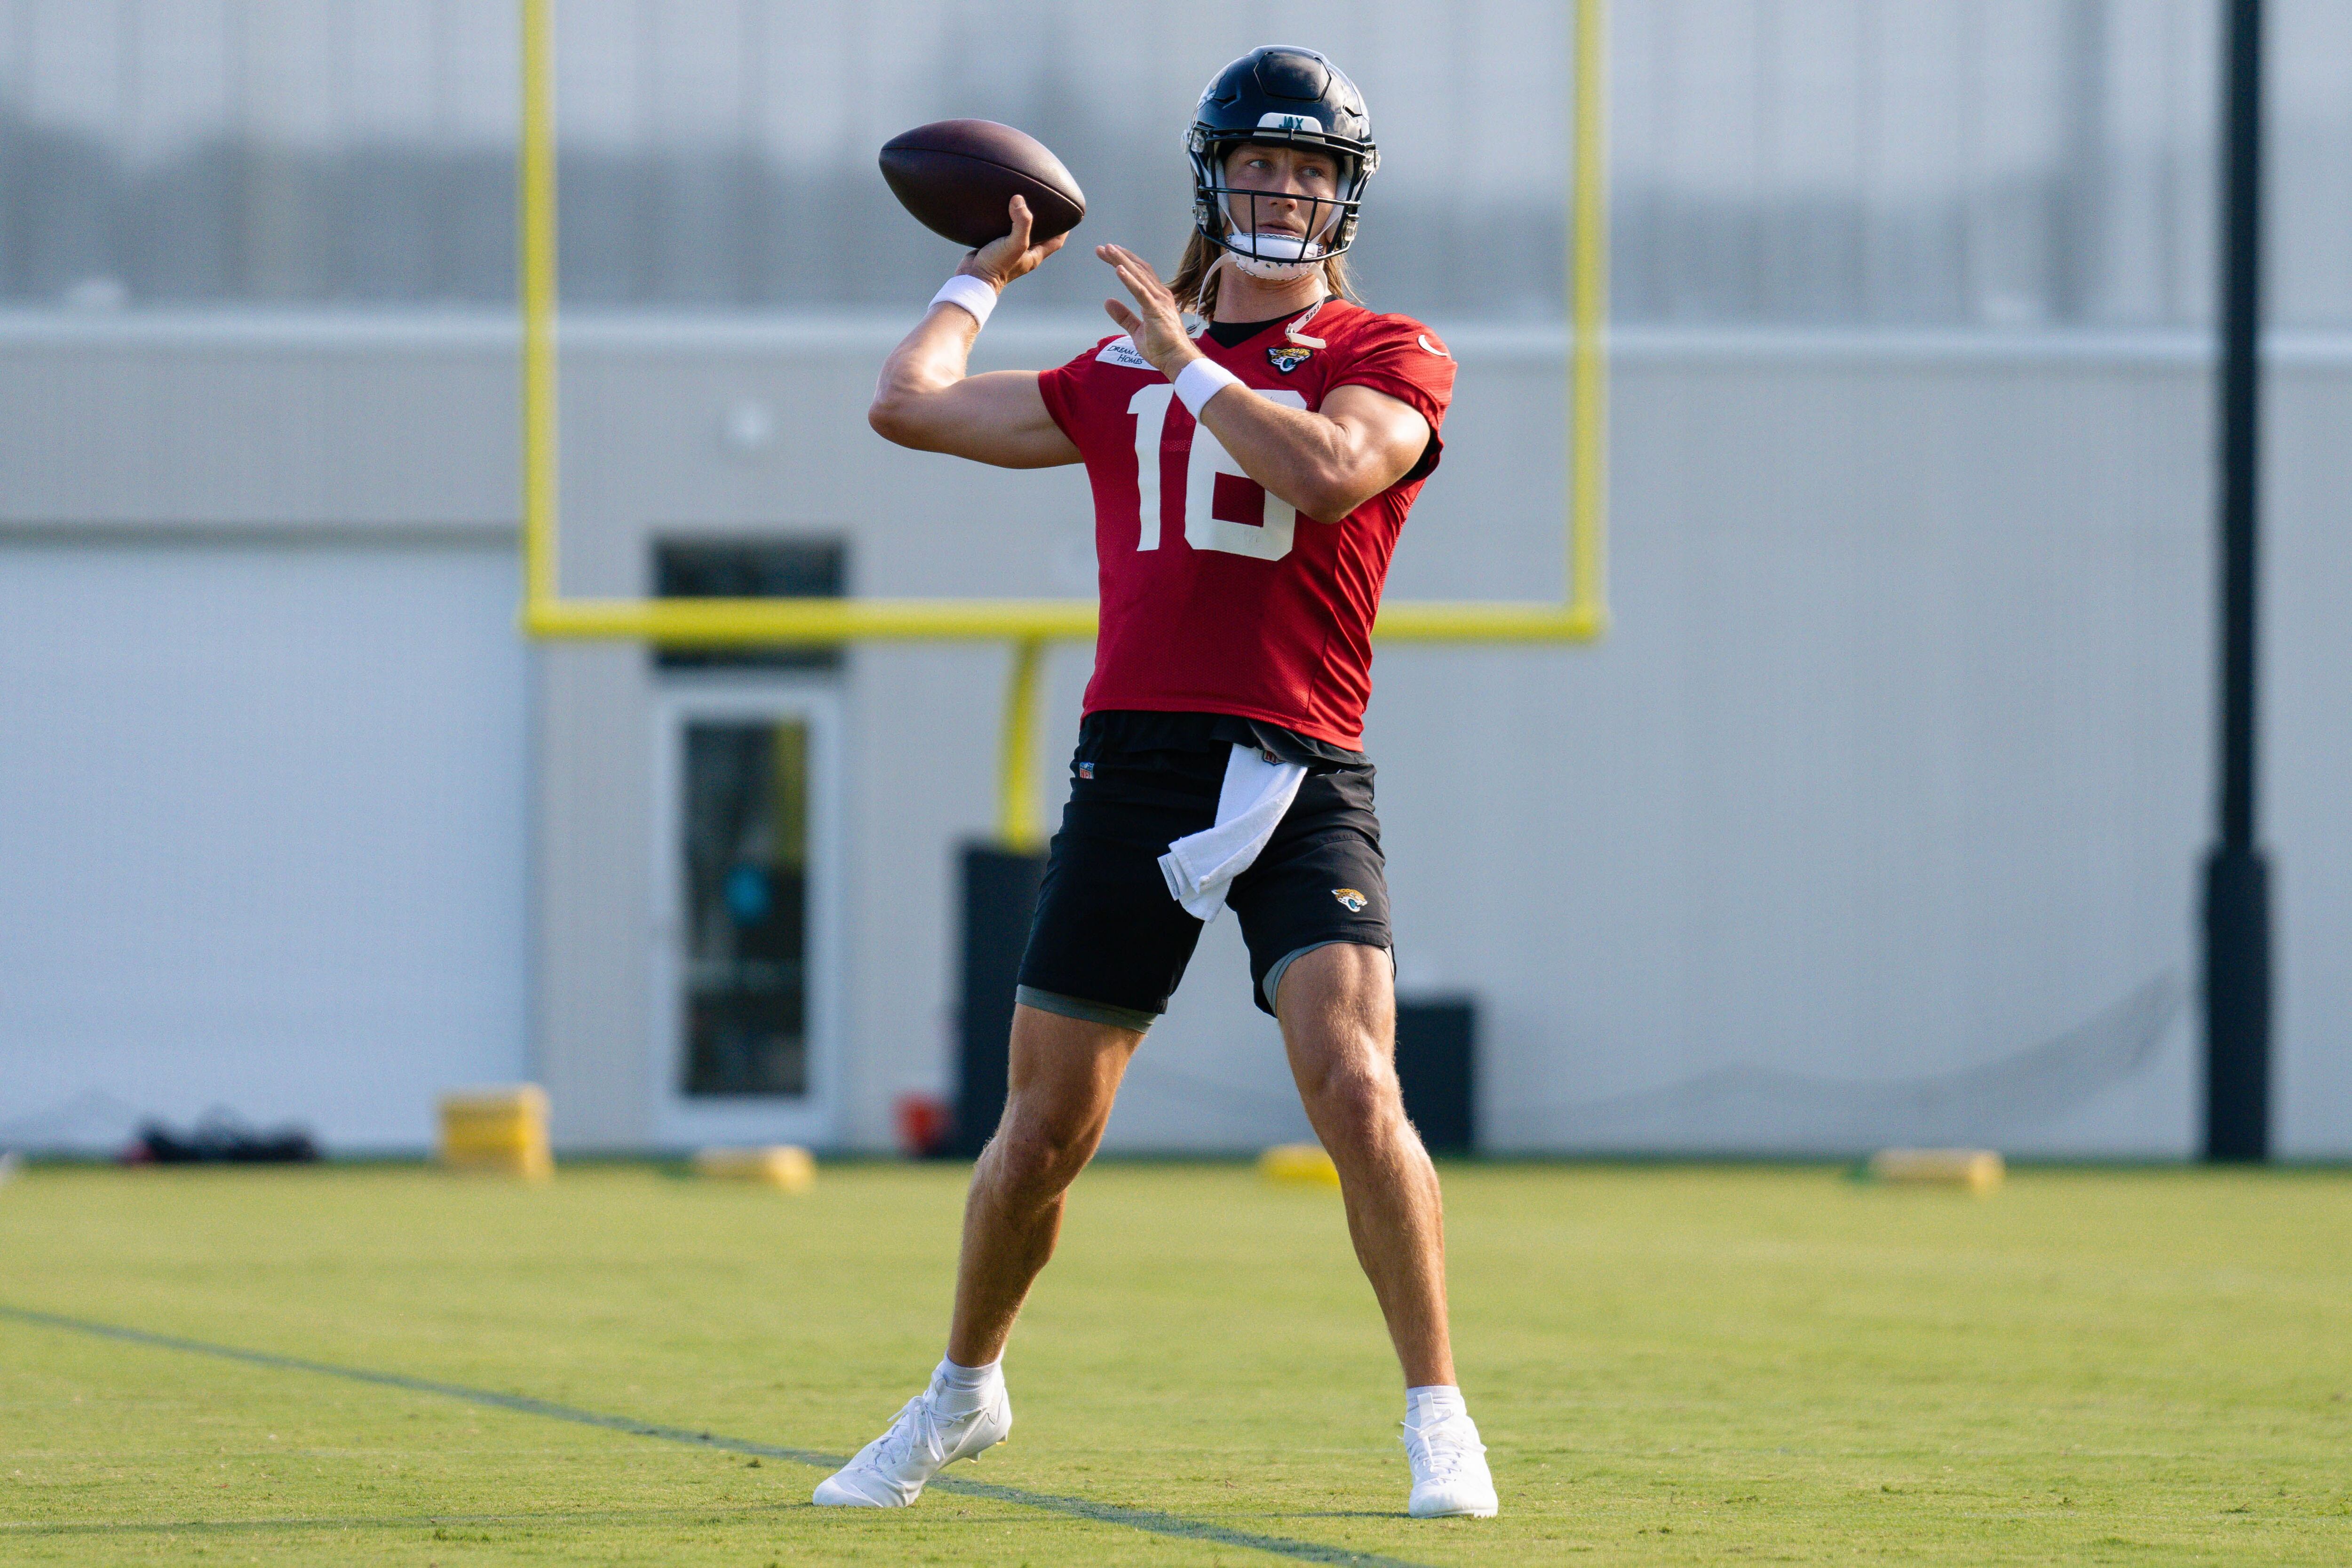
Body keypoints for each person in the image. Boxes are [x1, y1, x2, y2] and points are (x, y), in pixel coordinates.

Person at [816, 45, 1496, 1520]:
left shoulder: (1389, 352)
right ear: (1214, 178)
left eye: (1310, 170)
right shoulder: (1120, 364)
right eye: (1259, 164)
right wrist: (985, 275)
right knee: (1041, 1131)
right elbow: (910, 407)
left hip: (1301, 762)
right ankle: (961, 1392)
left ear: (1346, 198)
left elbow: (1325, 473)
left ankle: (1437, 1412)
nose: (1282, 190)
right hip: (1136, 763)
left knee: (1353, 1077)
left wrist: (1192, 358)